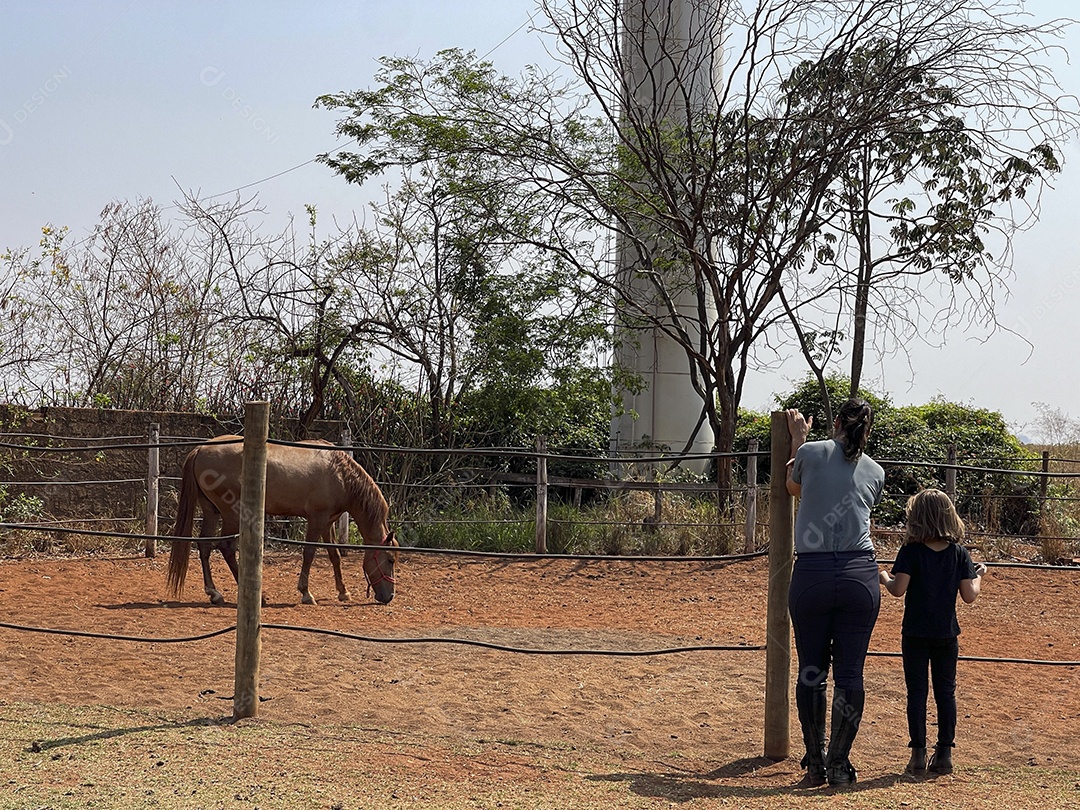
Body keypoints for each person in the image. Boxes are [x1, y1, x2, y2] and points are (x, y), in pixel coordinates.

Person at [786, 399, 885, 787]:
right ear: (868, 429)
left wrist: (798, 439)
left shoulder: (809, 452)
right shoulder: (876, 471)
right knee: (851, 674)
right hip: (860, 574)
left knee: (812, 669)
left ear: (838, 421)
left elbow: (794, 487)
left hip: (812, 573)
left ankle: (814, 762)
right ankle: (840, 763)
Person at [879, 488, 987, 776]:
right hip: (946, 634)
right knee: (946, 692)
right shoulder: (959, 554)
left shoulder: (910, 552)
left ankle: (917, 754)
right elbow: (969, 595)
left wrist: (884, 577)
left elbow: (898, 589)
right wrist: (978, 576)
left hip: (914, 633)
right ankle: (945, 753)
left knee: (916, 692)